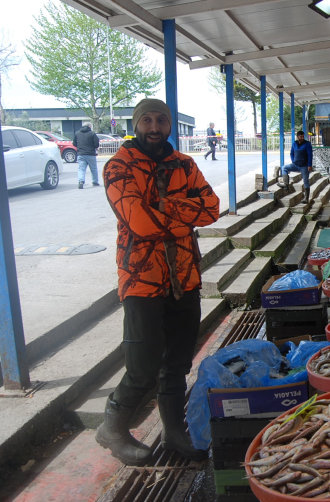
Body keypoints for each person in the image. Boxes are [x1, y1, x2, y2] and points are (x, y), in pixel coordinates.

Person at [97, 98, 220, 466]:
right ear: (136, 124)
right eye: (147, 120)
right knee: (142, 367)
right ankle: (112, 428)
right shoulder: (118, 166)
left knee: (178, 363)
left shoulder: (185, 164)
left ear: (169, 125)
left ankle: (173, 430)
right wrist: (183, 210)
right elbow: (139, 223)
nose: (154, 127)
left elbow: (212, 209)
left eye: (161, 120)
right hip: (141, 280)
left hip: (185, 277)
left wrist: (162, 205)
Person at [278, 130, 313, 203]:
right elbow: (291, 153)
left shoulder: (307, 144)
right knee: (284, 168)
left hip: (304, 166)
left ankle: (306, 198)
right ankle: (286, 185)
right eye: (301, 136)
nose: (302, 138)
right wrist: (293, 160)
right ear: (297, 137)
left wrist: (309, 165)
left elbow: (310, 155)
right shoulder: (294, 144)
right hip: (295, 165)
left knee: (306, 181)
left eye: (303, 136)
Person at [73, 122, 100, 189]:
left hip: (81, 154)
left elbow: (74, 143)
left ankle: (81, 181)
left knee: (81, 169)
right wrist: (94, 147)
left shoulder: (77, 133)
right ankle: (95, 182)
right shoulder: (92, 134)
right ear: (90, 127)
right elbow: (96, 143)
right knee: (93, 169)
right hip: (91, 154)